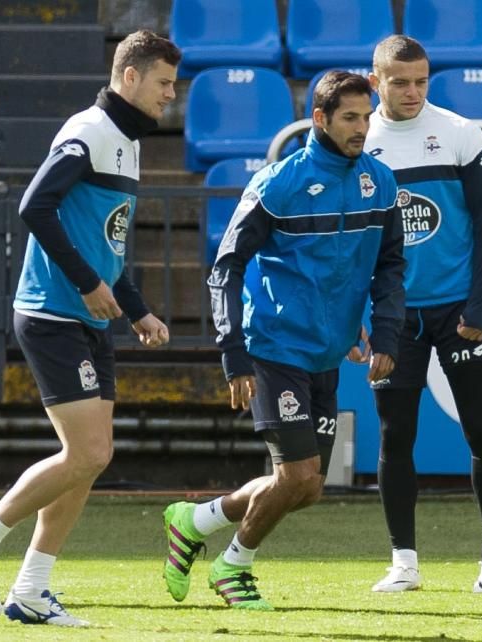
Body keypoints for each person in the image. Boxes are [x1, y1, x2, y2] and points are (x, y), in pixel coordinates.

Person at [0, 30, 180, 627]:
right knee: (90, 450)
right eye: (163, 83)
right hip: (53, 314)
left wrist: (135, 307)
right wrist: (86, 285)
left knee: (91, 457)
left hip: (88, 317)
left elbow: (108, 246)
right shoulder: (89, 131)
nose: (170, 96)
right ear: (130, 77)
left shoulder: (127, 142)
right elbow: (34, 206)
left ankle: (32, 589)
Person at [160, 71, 405, 611]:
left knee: (307, 488)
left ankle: (193, 520)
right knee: (295, 474)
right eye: (350, 118)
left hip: (327, 353)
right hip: (274, 347)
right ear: (319, 119)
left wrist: (385, 332)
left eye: (368, 117)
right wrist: (233, 352)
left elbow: (389, 268)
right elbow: (226, 268)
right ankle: (233, 567)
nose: (362, 128)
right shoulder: (277, 184)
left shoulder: (381, 183)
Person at [364, 35, 482, 594]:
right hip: (395, 318)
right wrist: (366, 316)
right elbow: (353, 243)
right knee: (394, 437)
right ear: (376, 80)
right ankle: (404, 563)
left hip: (457, 313)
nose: (412, 91)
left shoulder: (458, 133)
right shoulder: (360, 139)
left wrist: (478, 307)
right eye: (399, 81)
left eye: (421, 80)